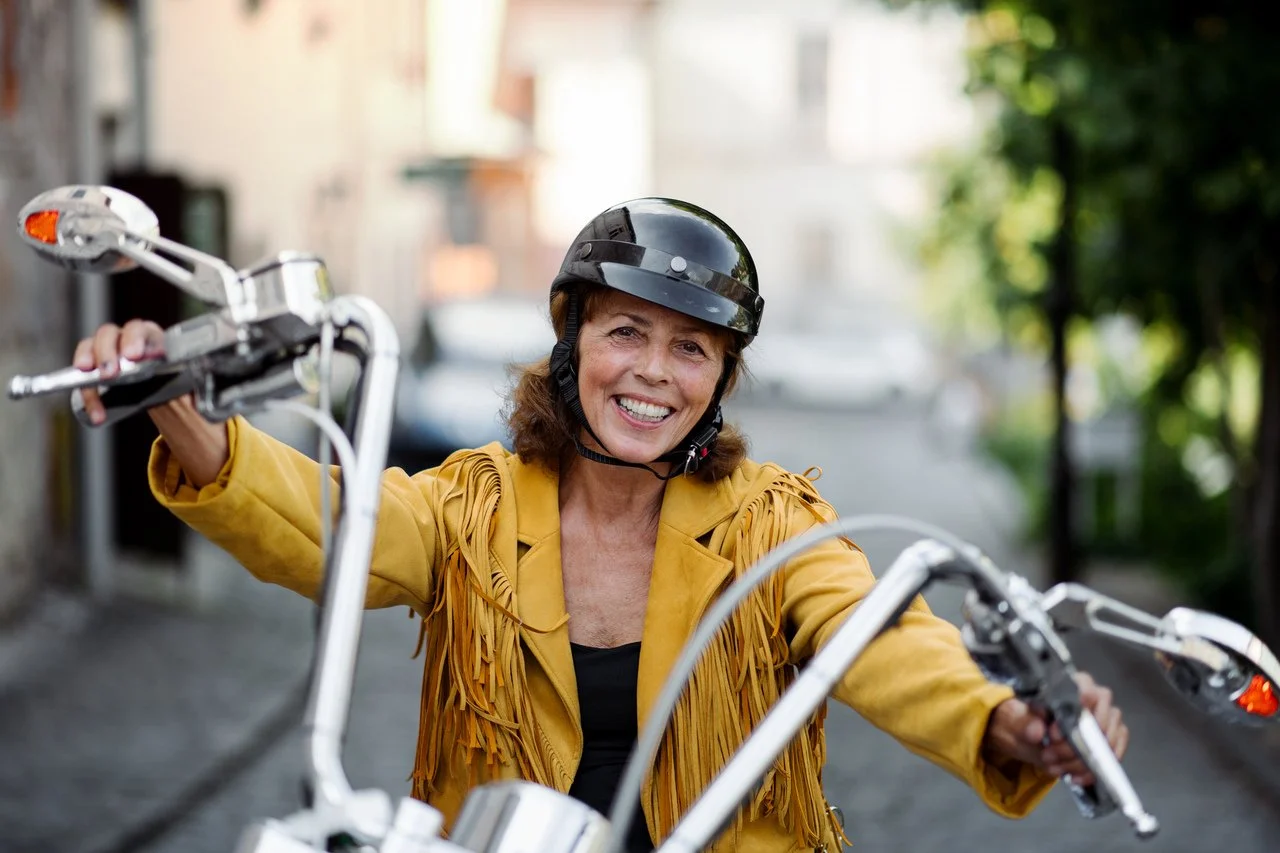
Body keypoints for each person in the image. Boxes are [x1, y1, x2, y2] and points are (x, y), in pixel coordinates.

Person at [76, 198, 1128, 853]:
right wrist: (181, 412)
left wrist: (1005, 719)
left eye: (690, 349)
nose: (653, 374)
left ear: (718, 379)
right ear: (572, 342)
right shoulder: (471, 503)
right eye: (627, 332)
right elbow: (329, 527)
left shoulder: (772, 525)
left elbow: (884, 640)